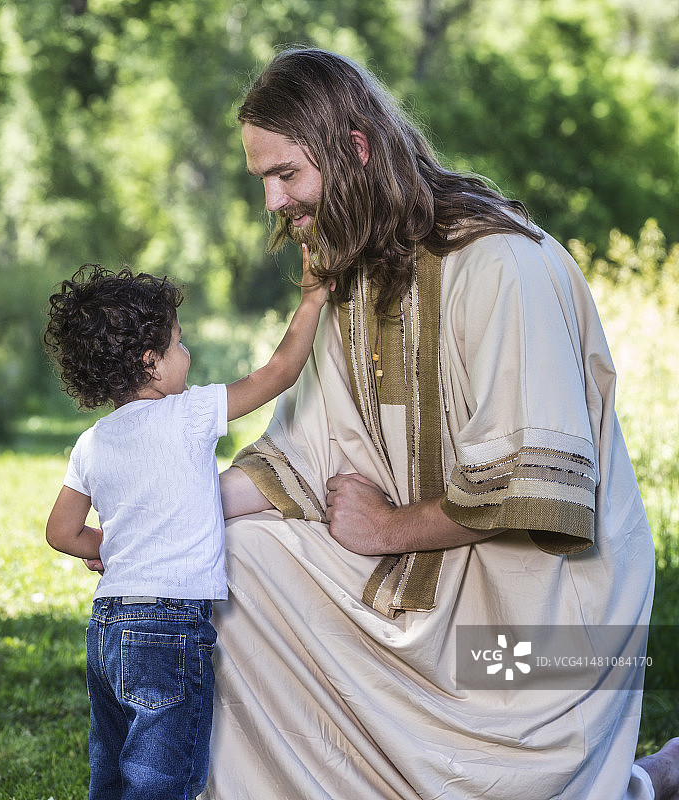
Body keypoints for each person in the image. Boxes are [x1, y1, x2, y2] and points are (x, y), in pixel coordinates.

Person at [197, 48, 678, 800]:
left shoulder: (503, 266)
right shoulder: (353, 279)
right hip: (425, 599)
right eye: (263, 179)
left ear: (353, 148)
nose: (271, 202)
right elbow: (297, 457)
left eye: (285, 174)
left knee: (501, 784)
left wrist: (387, 529)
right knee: (226, 559)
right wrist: (163, 510)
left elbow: (532, 492)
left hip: (550, 645)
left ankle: (635, 782)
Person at [43, 254, 330, 800]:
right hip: (168, 629)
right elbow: (278, 374)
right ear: (151, 362)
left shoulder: (93, 441)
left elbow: (61, 531)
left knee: (111, 771)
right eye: (178, 343)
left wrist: (103, 544)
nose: (187, 353)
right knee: (163, 780)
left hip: (107, 627)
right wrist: (312, 299)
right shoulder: (191, 414)